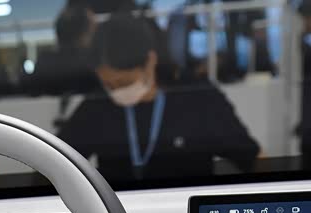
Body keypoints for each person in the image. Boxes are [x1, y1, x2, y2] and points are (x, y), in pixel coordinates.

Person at [58, 13, 260, 181]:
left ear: (150, 61)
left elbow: (252, 158)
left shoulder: (197, 97)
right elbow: (56, 162)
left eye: (124, 82)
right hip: (118, 211)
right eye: (108, 84)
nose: (115, 91)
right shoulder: (98, 106)